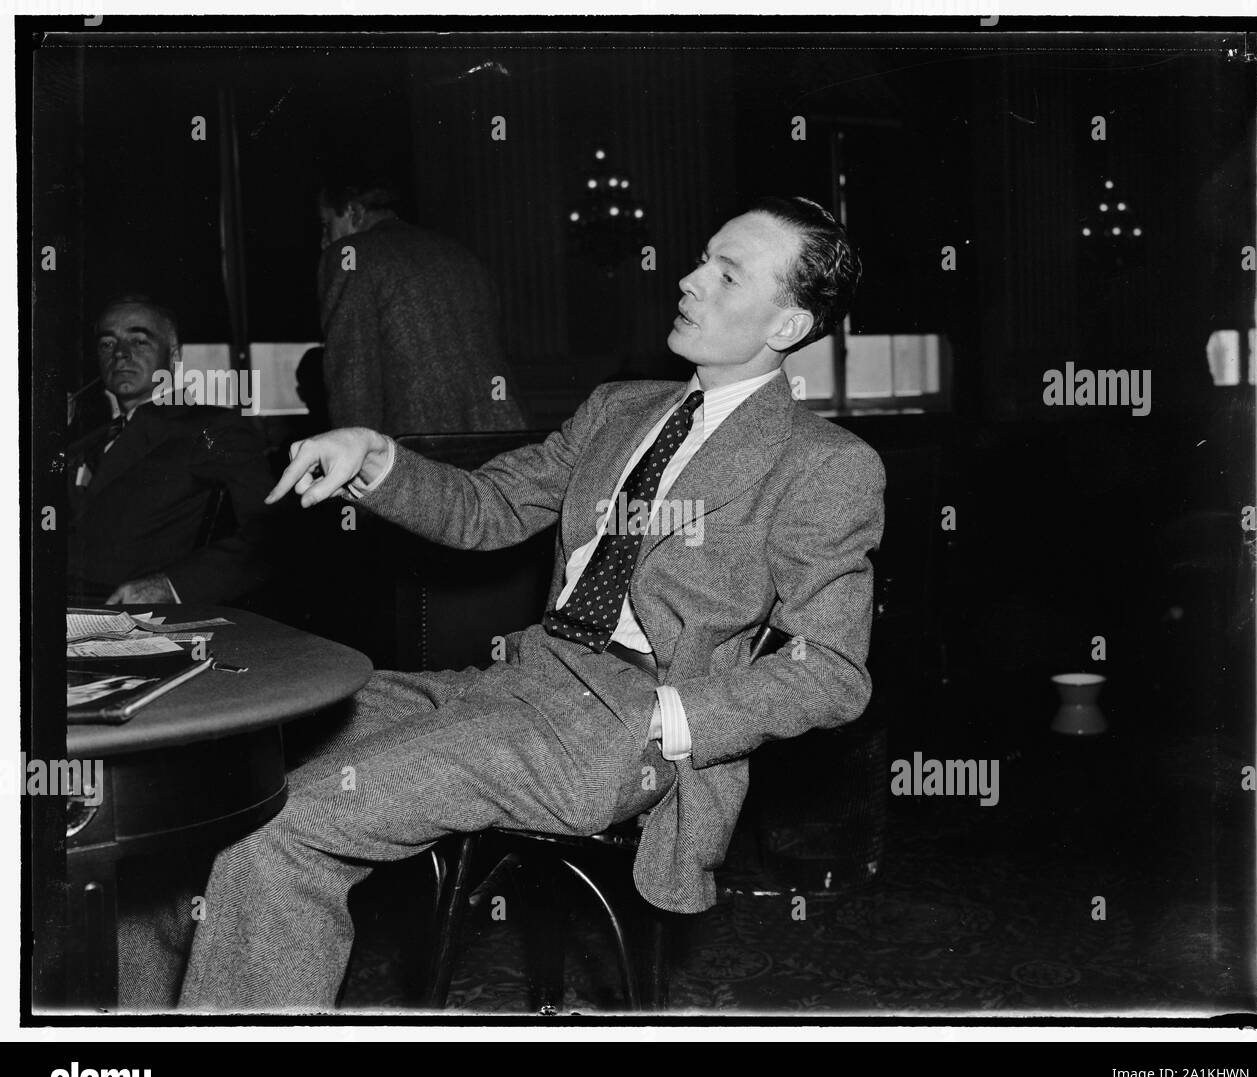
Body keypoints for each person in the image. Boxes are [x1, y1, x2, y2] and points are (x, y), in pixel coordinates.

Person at [180, 196, 885, 1010]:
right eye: (701, 259)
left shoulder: (825, 464)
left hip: (620, 727)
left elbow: (829, 671)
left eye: (726, 276)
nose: (688, 281)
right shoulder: (621, 408)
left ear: (788, 327)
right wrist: (374, 456)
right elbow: (490, 510)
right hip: (514, 680)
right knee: (214, 781)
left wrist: (669, 718)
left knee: (284, 826)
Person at [66, 296, 275, 605]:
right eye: (107, 344)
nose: (121, 355)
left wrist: (172, 586)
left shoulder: (212, 426)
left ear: (174, 355)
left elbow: (271, 532)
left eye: (139, 341)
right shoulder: (83, 439)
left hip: (135, 617)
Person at [316, 174, 528, 435]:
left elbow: (353, 381)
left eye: (326, 225)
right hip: (502, 431)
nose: (324, 241)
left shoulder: (351, 256)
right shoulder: (459, 252)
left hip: (421, 448)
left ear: (353, 212)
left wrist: (354, 455)